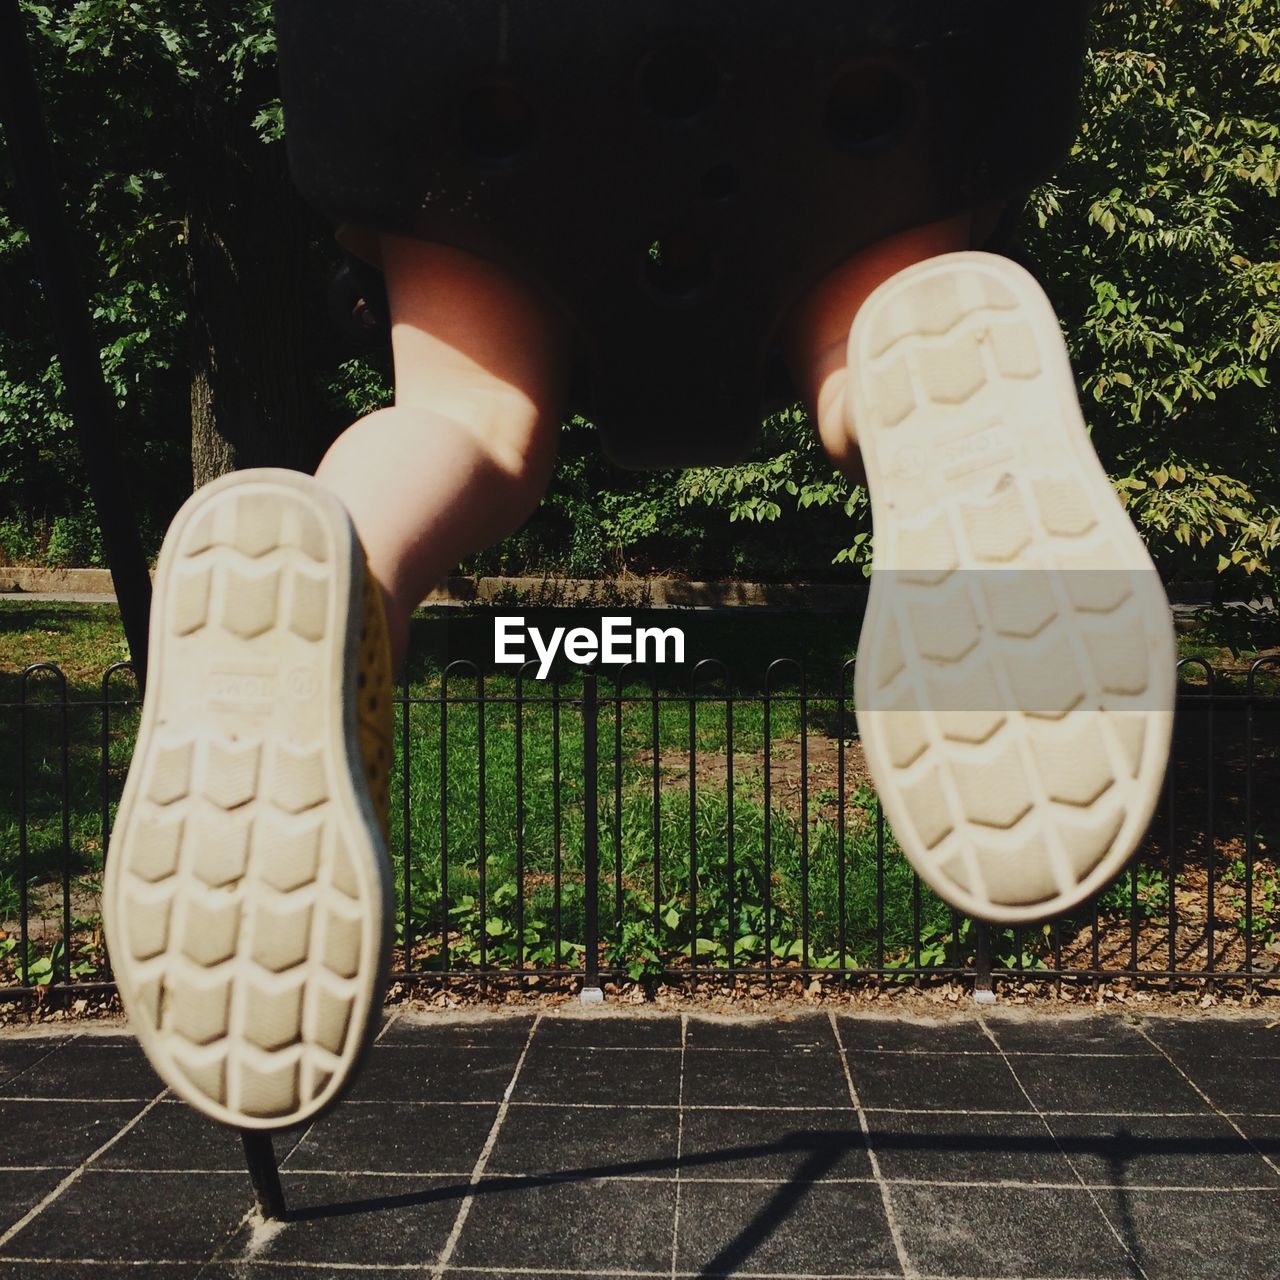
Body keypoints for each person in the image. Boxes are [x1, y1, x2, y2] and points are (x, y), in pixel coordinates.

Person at [102, 1, 1175, 1130]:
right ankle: (928, 392)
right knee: (868, 305)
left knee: (467, 417)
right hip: (863, 58)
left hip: (466, 61)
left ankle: (349, 560)